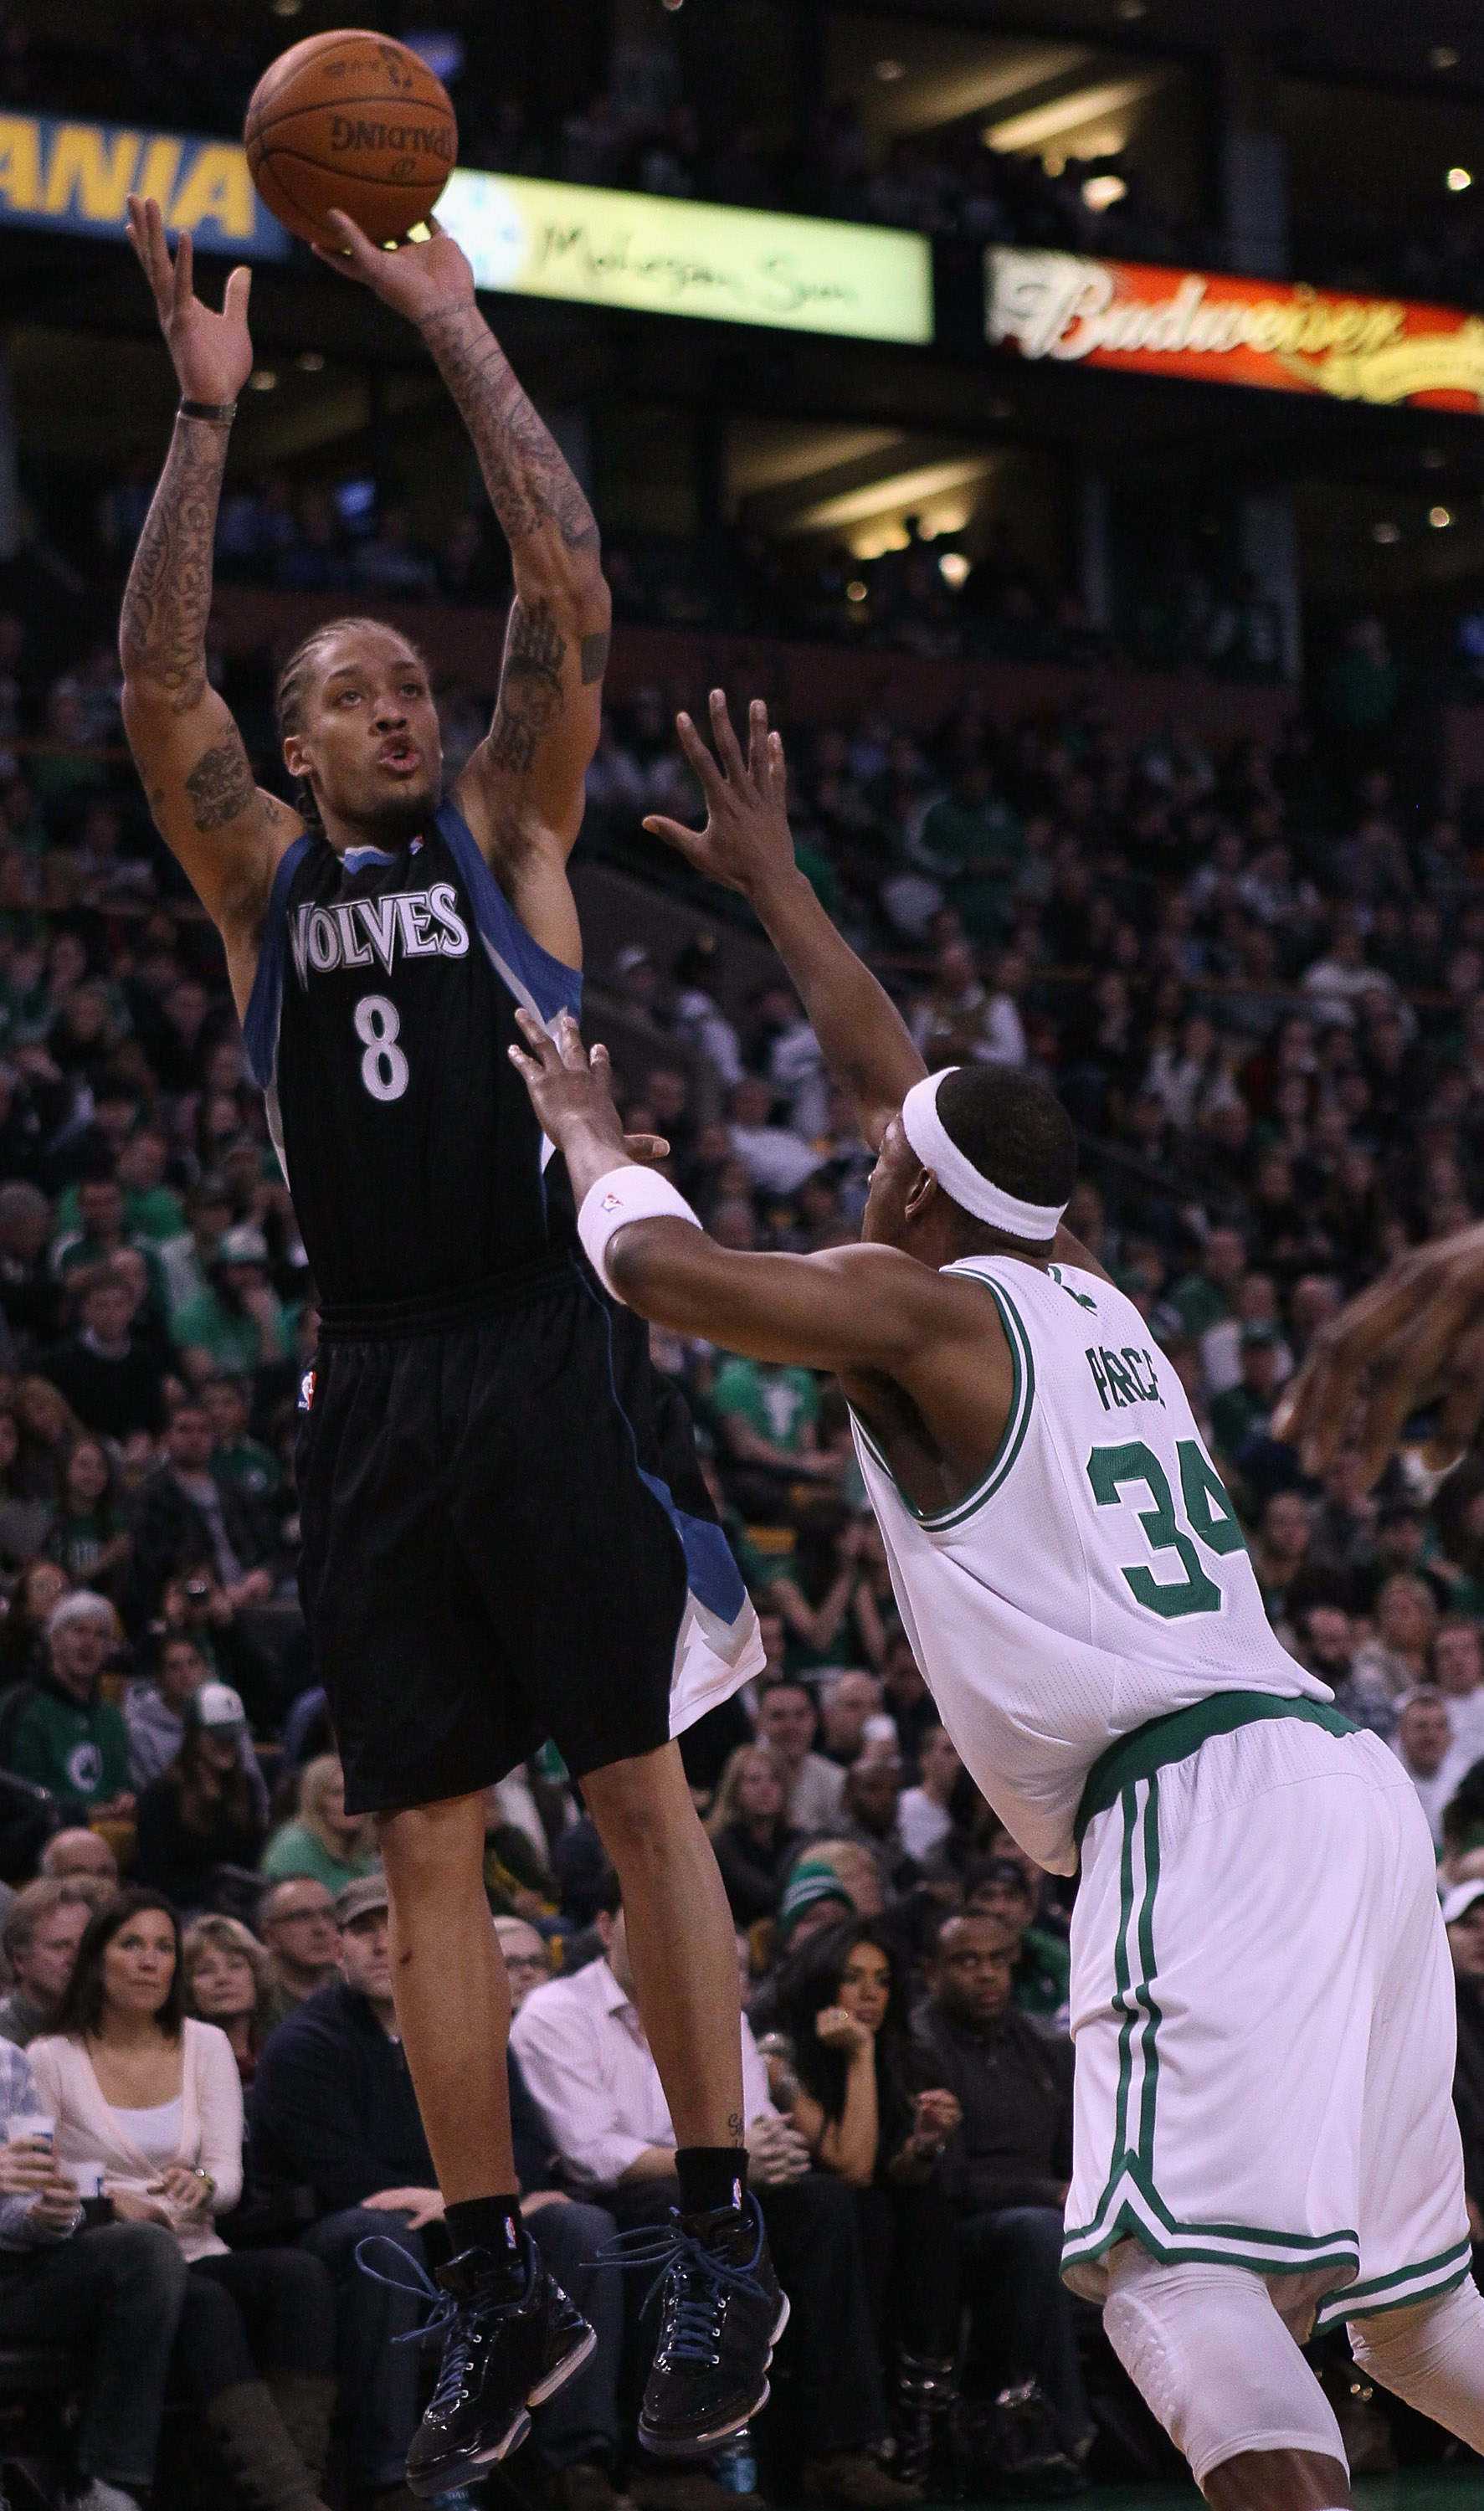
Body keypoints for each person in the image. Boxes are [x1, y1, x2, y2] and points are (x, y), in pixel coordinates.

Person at [509, 689, 1484, 2508]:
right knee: (1416, 2325)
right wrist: (786, 895)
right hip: (1335, 1788)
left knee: (1163, 2283)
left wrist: (587, 1130)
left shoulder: (918, 1310)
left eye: (878, 1165)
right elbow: (907, 1086)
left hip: (1199, 1807)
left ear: (914, 1201)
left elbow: (655, 1270)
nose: (861, 1157)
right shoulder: (1079, 1282)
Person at [118, 193, 775, 2493]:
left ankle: (713, 2233)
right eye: (355, 691)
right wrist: (204, 427)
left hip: (539, 1335)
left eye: (411, 677)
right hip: (368, 1371)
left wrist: (452, 331)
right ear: (296, 757)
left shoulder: (512, 820)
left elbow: (567, 596)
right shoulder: (257, 878)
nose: (401, 699)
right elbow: (151, 686)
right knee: (419, 1844)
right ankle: (496, 2282)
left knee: (622, 1792)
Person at [512, 1871, 916, 2511]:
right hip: (608, 2199)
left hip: (712, 2184)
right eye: (642, 1917)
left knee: (826, 2205)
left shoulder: (715, 2012)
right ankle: (668, 2464)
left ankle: (836, 2449)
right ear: (604, 1926)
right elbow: (591, 2151)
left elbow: (750, 2123)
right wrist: (721, 2166)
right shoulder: (556, 2013)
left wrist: (767, 2156)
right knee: (674, 2209)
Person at [253, 1875, 625, 2511]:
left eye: (392, 1928)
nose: (379, 1944)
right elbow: (339, 2173)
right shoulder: (305, 2043)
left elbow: (528, 2148)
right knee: (382, 2239)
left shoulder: (464, 2028)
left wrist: (496, 2200)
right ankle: (388, 2477)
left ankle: (579, 2465)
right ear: (338, 1949)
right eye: (363, 1932)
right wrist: (470, 2205)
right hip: (349, 2230)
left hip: (466, 2218)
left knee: (581, 2227)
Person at [31, 1889, 338, 2511]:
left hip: (196, 2243)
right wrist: (113, 2200)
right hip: (110, 2264)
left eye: (164, 1947)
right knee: (205, 2302)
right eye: (132, 1945)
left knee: (301, 2276)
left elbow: (225, 2176)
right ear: (97, 1960)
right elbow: (41, 2187)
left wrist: (200, 2183)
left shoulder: (204, 2045)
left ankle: (298, 2483)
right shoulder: (50, 2057)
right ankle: (289, 2500)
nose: (150, 1961)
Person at [912, 1917, 1090, 2467]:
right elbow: (952, 2181)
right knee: (1040, 2233)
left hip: (1048, 2211)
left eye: (997, 1960)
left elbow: (1076, 2157)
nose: (986, 1975)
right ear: (932, 1972)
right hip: (953, 2229)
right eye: (966, 1962)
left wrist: (1071, 2193)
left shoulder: (1048, 2048)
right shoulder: (919, 2048)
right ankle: (1065, 2431)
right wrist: (1048, 2193)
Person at [0, 2028, 189, 2511]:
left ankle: (105, 2485)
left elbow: (19, 2202)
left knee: (145, 2251)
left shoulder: (8, 2062)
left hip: (13, 2272)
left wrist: (52, 2214)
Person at [775, 1918, 961, 2384]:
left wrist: (924, 2145)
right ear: (821, 1982)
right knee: (868, 2211)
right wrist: (860, 2053)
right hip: (806, 2215)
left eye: (881, 1980)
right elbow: (853, 2167)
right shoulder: (781, 2060)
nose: (870, 1993)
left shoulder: (907, 2055)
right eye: (852, 1978)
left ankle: (923, 2384)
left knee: (925, 2209)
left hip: (888, 2213)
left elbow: (896, 2171)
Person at [133, 1681, 267, 1911]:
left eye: (232, 1735)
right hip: (185, 1909)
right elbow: (154, 1878)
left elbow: (253, 1863)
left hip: (240, 1907)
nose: (226, 1744)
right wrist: (214, 1893)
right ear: (194, 1736)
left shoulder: (247, 1788)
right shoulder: (162, 1795)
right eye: (217, 1735)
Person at [3, 1589, 134, 1818]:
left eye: (101, 1635)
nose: (89, 1643)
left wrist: (126, 1799)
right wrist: (83, 1814)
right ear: (54, 1641)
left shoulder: (111, 1716)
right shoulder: (24, 1707)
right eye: (79, 1631)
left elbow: (120, 1783)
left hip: (105, 1830)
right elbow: (20, 1797)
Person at [706, 1744, 803, 1926]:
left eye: (774, 1780)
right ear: (735, 1789)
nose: (766, 1789)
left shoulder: (797, 1839)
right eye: (754, 1780)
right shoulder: (723, 1846)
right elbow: (767, 1896)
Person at [260, 1754, 379, 1896]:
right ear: (316, 1801)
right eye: (337, 1793)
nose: (350, 1801)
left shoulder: (360, 1848)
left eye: (356, 1791)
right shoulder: (295, 1848)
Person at [182, 1911, 277, 2085]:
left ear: (256, 1976)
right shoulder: (179, 2065)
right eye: (206, 1970)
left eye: (235, 1966)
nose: (223, 1978)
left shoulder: (280, 2056)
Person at [0, 1877, 96, 2046]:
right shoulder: (4, 2039)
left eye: (85, 1945)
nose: (76, 1959)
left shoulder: (110, 2030)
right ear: (19, 1960)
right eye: (60, 1946)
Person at [125, 1629, 211, 1790]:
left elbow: (251, 1781)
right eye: (174, 1667)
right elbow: (153, 1793)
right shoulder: (140, 1731)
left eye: (193, 1663)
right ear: (159, 1678)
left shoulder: (225, 1714)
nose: (186, 1674)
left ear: (205, 1670)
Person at [757, 1682, 846, 1832]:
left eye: (800, 1715)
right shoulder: (743, 1777)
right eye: (778, 1716)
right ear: (759, 1723)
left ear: (815, 1720)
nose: (790, 1726)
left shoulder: (836, 1780)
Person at [256, 1876, 340, 2019]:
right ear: (270, 1936)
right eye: (302, 1917)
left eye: (328, 1914)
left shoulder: (358, 1990)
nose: (321, 1928)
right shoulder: (257, 2003)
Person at [897, 1725, 960, 1863]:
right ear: (924, 1760)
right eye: (949, 1751)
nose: (959, 1761)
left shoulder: (974, 1810)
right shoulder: (902, 1805)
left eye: (962, 1751)